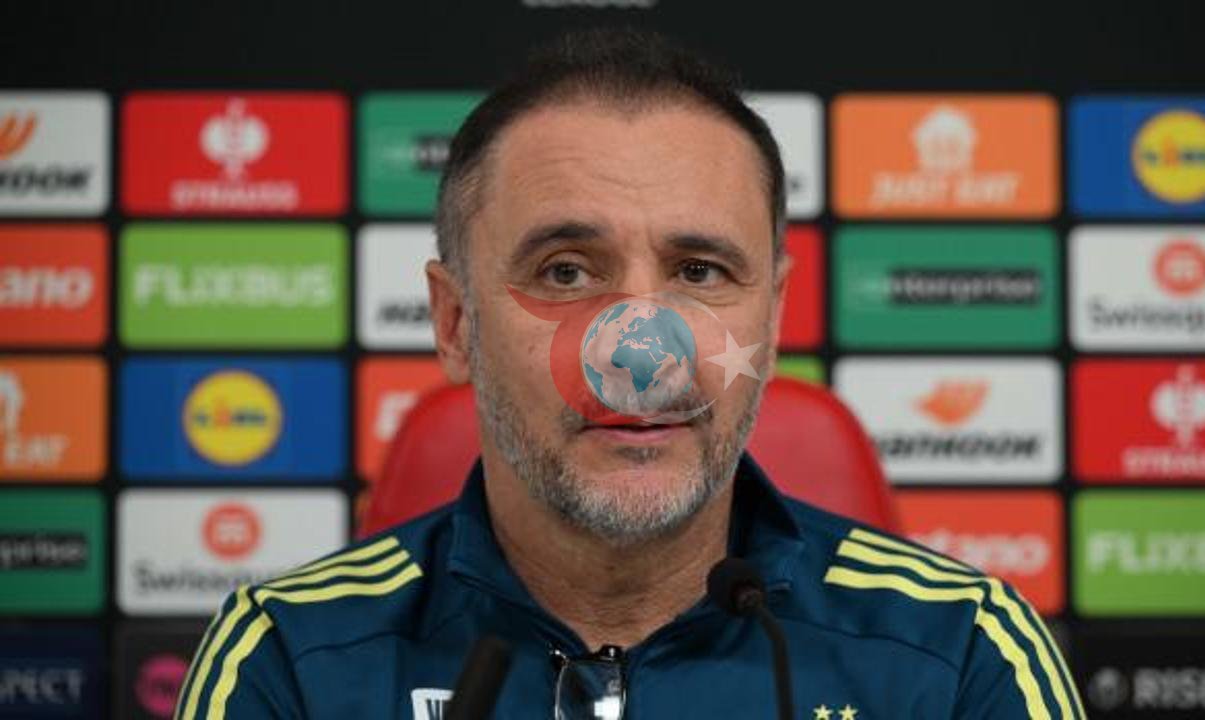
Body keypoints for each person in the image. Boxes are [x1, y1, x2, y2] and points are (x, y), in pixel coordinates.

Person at [175, 27, 1083, 719]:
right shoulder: (288, 659)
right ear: (455, 324)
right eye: (567, 272)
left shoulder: (961, 654)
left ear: (770, 320)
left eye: (700, 273)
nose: (640, 355)